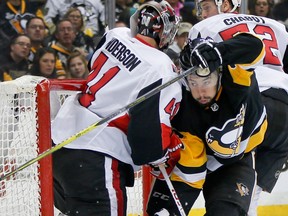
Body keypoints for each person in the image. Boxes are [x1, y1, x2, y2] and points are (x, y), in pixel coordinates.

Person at [51, 1, 182, 215]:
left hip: (59, 143)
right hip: (97, 154)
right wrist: (158, 155)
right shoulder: (162, 66)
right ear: (165, 31)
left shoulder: (116, 34)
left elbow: (93, 63)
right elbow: (151, 129)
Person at [181, 0, 288, 215]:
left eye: (208, 7)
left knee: (230, 172)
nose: (203, 13)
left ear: (227, 6)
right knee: (250, 190)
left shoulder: (203, 28)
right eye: (201, 8)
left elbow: (190, 74)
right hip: (284, 112)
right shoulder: (276, 26)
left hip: (251, 103)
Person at [147, 33, 268, 215]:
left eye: (207, 81)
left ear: (219, 74)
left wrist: (220, 52)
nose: (200, 91)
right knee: (160, 210)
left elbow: (256, 47)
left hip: (237, 159)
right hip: (203, 156)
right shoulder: (184, 107)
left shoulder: (235, 77)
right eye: (193, 82)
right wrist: (172, 211)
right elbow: (191, 167)